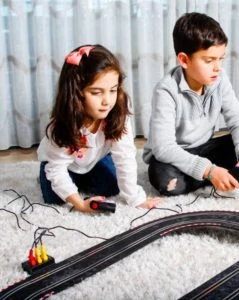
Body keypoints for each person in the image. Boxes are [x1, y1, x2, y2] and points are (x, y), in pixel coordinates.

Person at [142, 12, 239, 196]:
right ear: (184, 60)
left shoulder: (219, 78)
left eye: (221, 58)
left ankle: (202, 176)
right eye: (209, 60)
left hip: (206, 149)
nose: (218, 67)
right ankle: (212, 175)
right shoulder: (165, 90)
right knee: (163, 177)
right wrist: (209, 171)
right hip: (175, 155)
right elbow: (163, 148)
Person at [38, 44, 159, 213]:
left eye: (113, 90)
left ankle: (86, 180)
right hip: (63, 165)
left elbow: (125, 157)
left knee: (113, 187)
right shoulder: (63, 123)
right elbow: (56, 169)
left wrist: (136, 199)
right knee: (55, 199)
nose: (107, 101)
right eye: (96, 92)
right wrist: (80, 204)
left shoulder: (117, 110)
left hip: (95, 160)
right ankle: (65, 181)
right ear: (77, 93)